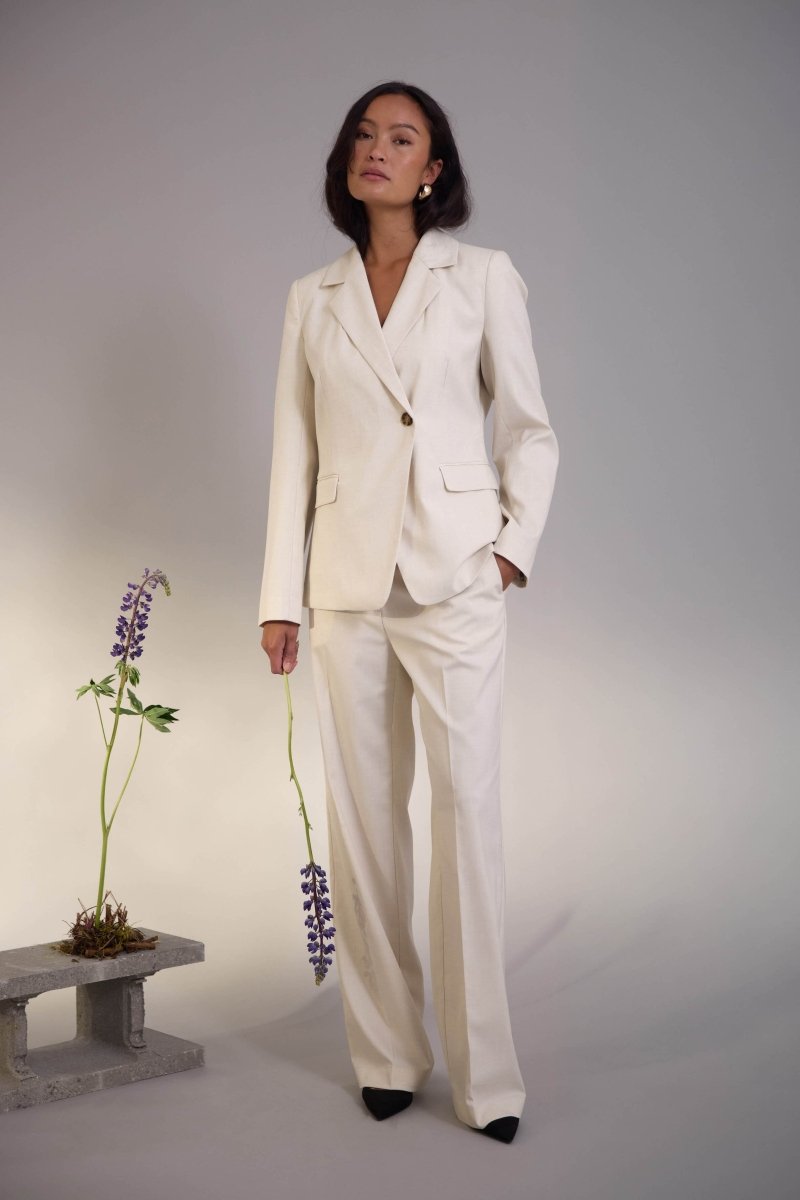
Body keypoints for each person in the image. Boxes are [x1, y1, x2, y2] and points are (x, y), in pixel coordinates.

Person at [258, 81, 559, 1144]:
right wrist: (280, 597)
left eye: (400, 138)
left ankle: (488, 1081)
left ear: (433, 171)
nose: (374, 149)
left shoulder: (481, 278)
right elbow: (294, 453)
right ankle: (386, 1054)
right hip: (345, 589)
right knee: (364, 830)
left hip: (454, 578)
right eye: (362, 134)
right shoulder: (313, 297)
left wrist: (508, 551)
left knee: (466, 821)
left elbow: (528, 429)